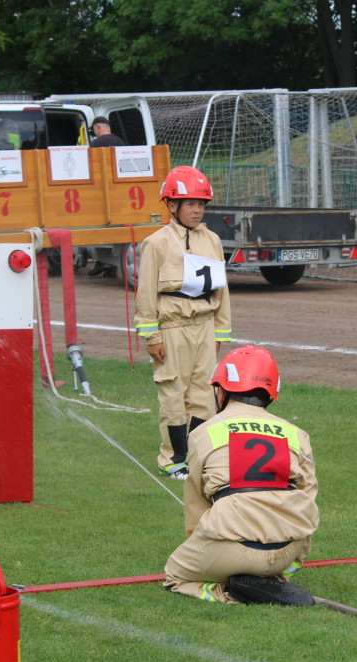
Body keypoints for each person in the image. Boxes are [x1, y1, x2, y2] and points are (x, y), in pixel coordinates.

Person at [163, 346, 318, 605]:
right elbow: (308, 499)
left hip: (230, 550)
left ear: (222, 391)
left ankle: (230, 594)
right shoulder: (296, 434)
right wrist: (292, 564)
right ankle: (272, 583)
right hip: (286, 553)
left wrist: (201, 547)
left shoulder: (205, 432)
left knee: (175, 576)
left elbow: (196, 504)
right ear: (270, 395)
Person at [134, 166, 232, 480]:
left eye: (201, 204)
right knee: (174, 394)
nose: (197, 210)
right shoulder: (156, 243)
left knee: (204, 396)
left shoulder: (213, 240)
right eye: (190, 203)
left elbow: (222, 289)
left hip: (204, 327)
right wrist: (152, 336)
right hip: (172, 329)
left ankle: (198, 458)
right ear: (172, 206)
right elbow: (146, 293)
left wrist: (221, 331)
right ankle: (174, 460)